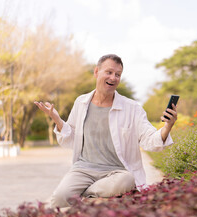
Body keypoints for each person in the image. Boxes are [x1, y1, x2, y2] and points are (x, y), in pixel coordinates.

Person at [34, 54, 177, 208]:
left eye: (118, 74)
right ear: (96, 72)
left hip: (116, 173)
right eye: (109, 72)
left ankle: (84, 195)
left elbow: (149, 139)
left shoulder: (132, 108)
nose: (113, 78)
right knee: (59, 199)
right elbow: (70, 138)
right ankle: (88, 196)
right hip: (83, 169)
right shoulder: (81, 102)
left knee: (128, 180)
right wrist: (57, 119)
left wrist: (167, 126)